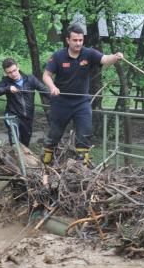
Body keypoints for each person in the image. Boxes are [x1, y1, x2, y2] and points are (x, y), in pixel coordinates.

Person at [41, 24, 124, 165]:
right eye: (75, 40)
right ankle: (45, 164)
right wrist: (52, 87)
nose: (78, 43)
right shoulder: (58, 56)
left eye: (81, 40)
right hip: (61, 102)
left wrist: (115, 57)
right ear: (68, 40)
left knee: (85, 133)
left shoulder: (89, 53)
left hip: (81, 102)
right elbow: (46, 75)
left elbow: (104, 59)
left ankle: (82, 167)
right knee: (55, 134)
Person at [0, 58, 49, 147]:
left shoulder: (30, 79)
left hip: (28, 118)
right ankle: (15, 155)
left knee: (25, 146)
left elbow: (45, 91)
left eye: (14, 70)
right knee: (15, 142)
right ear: (6, 73)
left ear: (18, 67)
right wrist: (8, 89)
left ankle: (22, 160)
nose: (13, 74)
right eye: (9, 72)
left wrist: (59, 100)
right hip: (12, 115)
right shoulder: (6, 81)